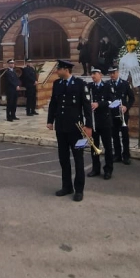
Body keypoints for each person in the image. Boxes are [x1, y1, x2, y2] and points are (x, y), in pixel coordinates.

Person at [46, 59, 93, 202]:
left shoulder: (80, 84)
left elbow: (86, 106)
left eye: (59, 69)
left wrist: (89, 126)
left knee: (78, 159)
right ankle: (67, 186)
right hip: (61, 128)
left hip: (76, 129)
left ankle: (79, 190)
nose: (57, 71)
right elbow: (53, 103)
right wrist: (50, 120)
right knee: (63, 158)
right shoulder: (57, 84)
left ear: (66, 70)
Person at [87, 68, 115, 180]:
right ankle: (95, 168)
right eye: (92, 74)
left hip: (105, 121)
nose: (93, 76)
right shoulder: (90, 87)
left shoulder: (107, 86)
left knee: (108, 147)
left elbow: (111, 101)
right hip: (94, 122)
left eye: (95, 74)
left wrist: (99, 104)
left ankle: (108, 169)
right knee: (94, 147)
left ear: (101, 75)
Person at [109, 66, 135, 164]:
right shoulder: (108, 84)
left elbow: (132, 98)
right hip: (113, 113)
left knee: (124, 136)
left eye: (114, 73)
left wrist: (126, 107)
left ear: (118, 73)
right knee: (114, 135)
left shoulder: (124, 84)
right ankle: (117, 155)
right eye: (110, 73)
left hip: (123, 114)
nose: (112, 75)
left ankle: (126, 156)